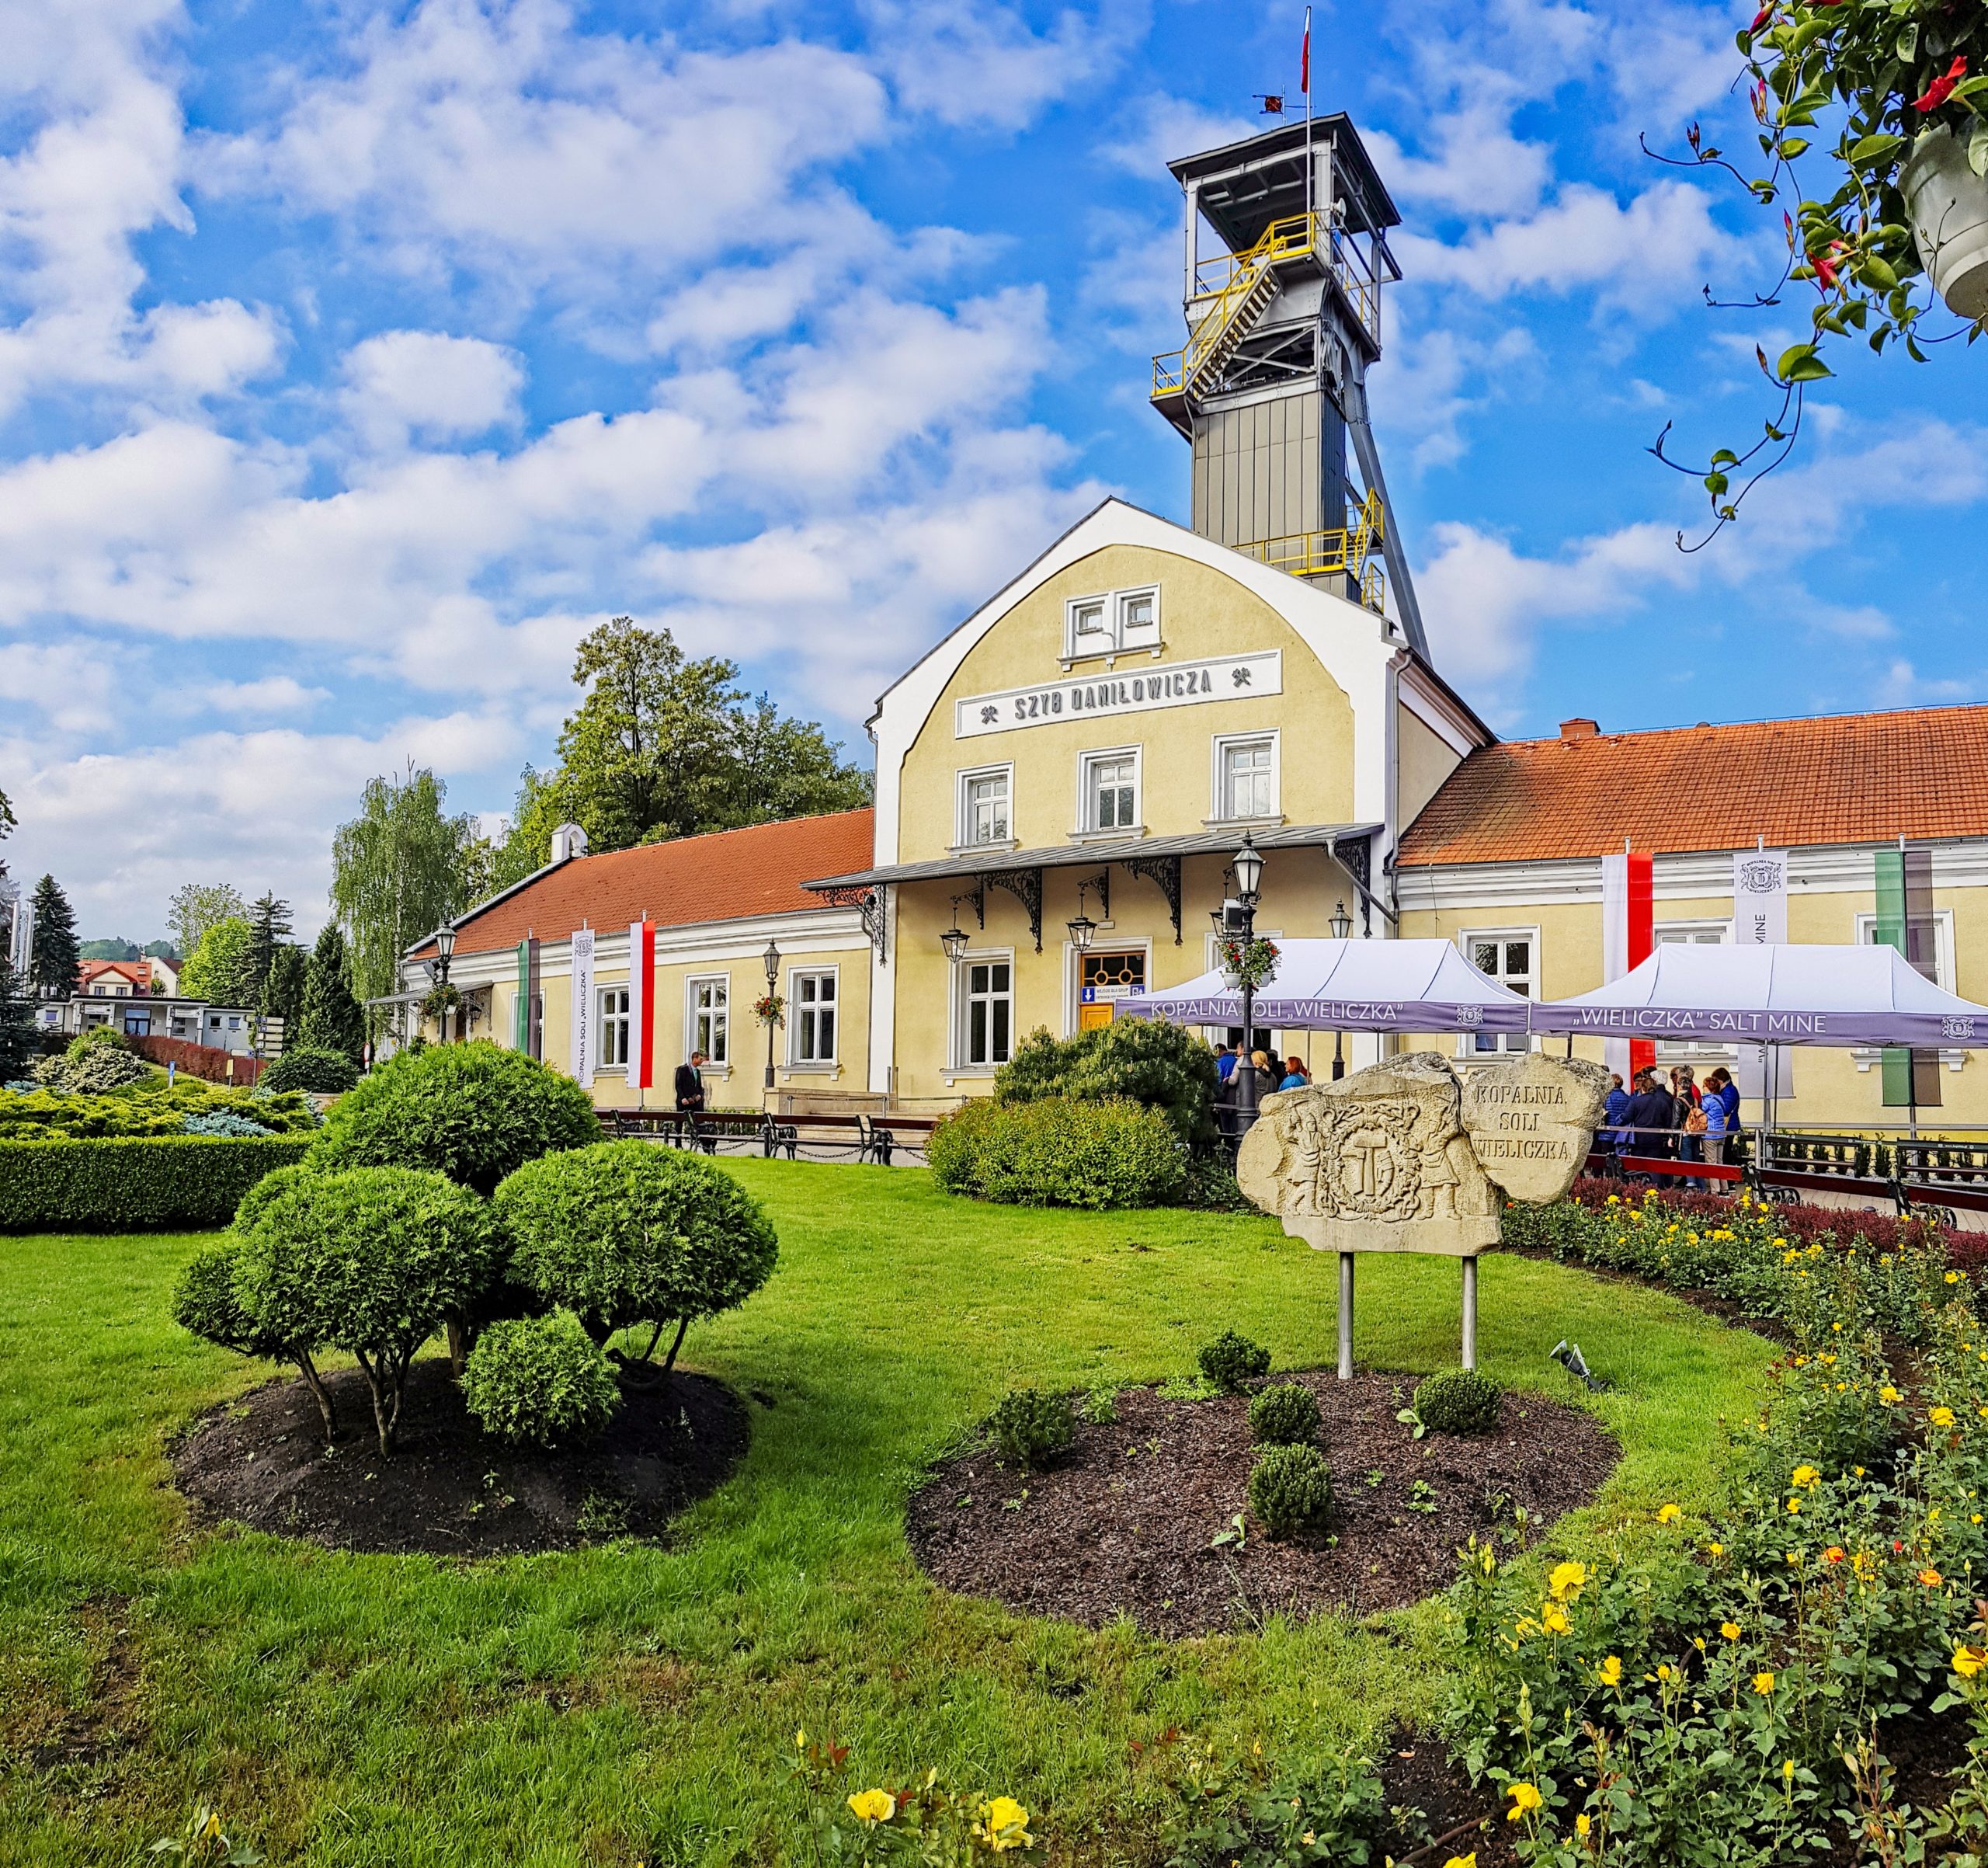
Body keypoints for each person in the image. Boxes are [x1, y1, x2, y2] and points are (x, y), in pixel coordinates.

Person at [1622, 1069, 1677, 1171]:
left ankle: (1639, 1185)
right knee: (1654, 1167)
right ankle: (1656, 1185)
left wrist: (1618, 1121)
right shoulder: (1662, 1101)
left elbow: (1626, 1117)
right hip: (1656, 1138)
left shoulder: (1636, 1101)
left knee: (1638, 1167)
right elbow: (1668, 1120)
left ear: (1643, 1088)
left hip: (1638, 1138)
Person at [1600, 1072, 1630, 1173]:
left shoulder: (1606, 1098)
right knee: (1620, 1161)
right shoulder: (1627, 1098)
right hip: (1621, 1135)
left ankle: (1608, 1181)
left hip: (1606, 1134)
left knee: (1608, 1162)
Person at [673, 1049, 707, 1117]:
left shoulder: (697, 1071)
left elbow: (699, 1086)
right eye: (700, 1059)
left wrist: (699, 1095)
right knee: (679, 1122)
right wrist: (683, 1098)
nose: (702, 1061)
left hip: (694, 1101)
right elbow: (678, 1085)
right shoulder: (683, 1070)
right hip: (684, 1101)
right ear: (695, 1058)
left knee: (698, 1120)